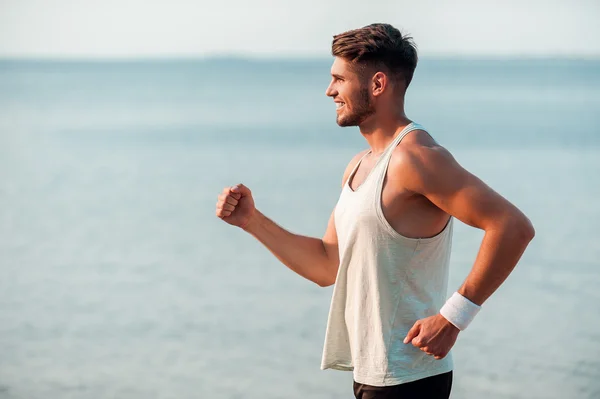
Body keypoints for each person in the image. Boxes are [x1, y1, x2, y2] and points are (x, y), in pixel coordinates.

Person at [215, 23, 535, 399]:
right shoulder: (358, 166)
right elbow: (326, 265)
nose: (329, 90)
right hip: (372, 375)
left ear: (378, 84)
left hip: (410, 379)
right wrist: (253, 221)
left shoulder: (414, 159)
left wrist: (453, 318)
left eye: (339, 79)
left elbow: (512, 226)